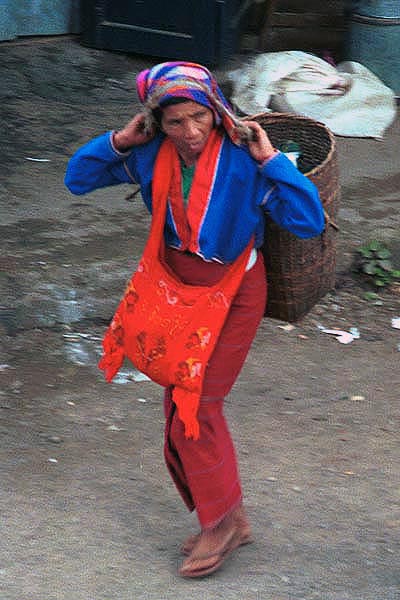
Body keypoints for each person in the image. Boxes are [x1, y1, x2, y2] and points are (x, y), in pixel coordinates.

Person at [65, 61, 324, 578]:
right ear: (158, 123)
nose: (190, 133)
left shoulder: (244, 159)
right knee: (181, 399)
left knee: (197, 405)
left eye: (199, 118)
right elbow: (79, 178)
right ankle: (230, 515)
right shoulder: (149, 156)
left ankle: (219, 524)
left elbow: (307, 217)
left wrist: (271, 159)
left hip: (234, 292)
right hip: (178, 292)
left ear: (216, 112)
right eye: (175, 122)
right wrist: (119, 140)